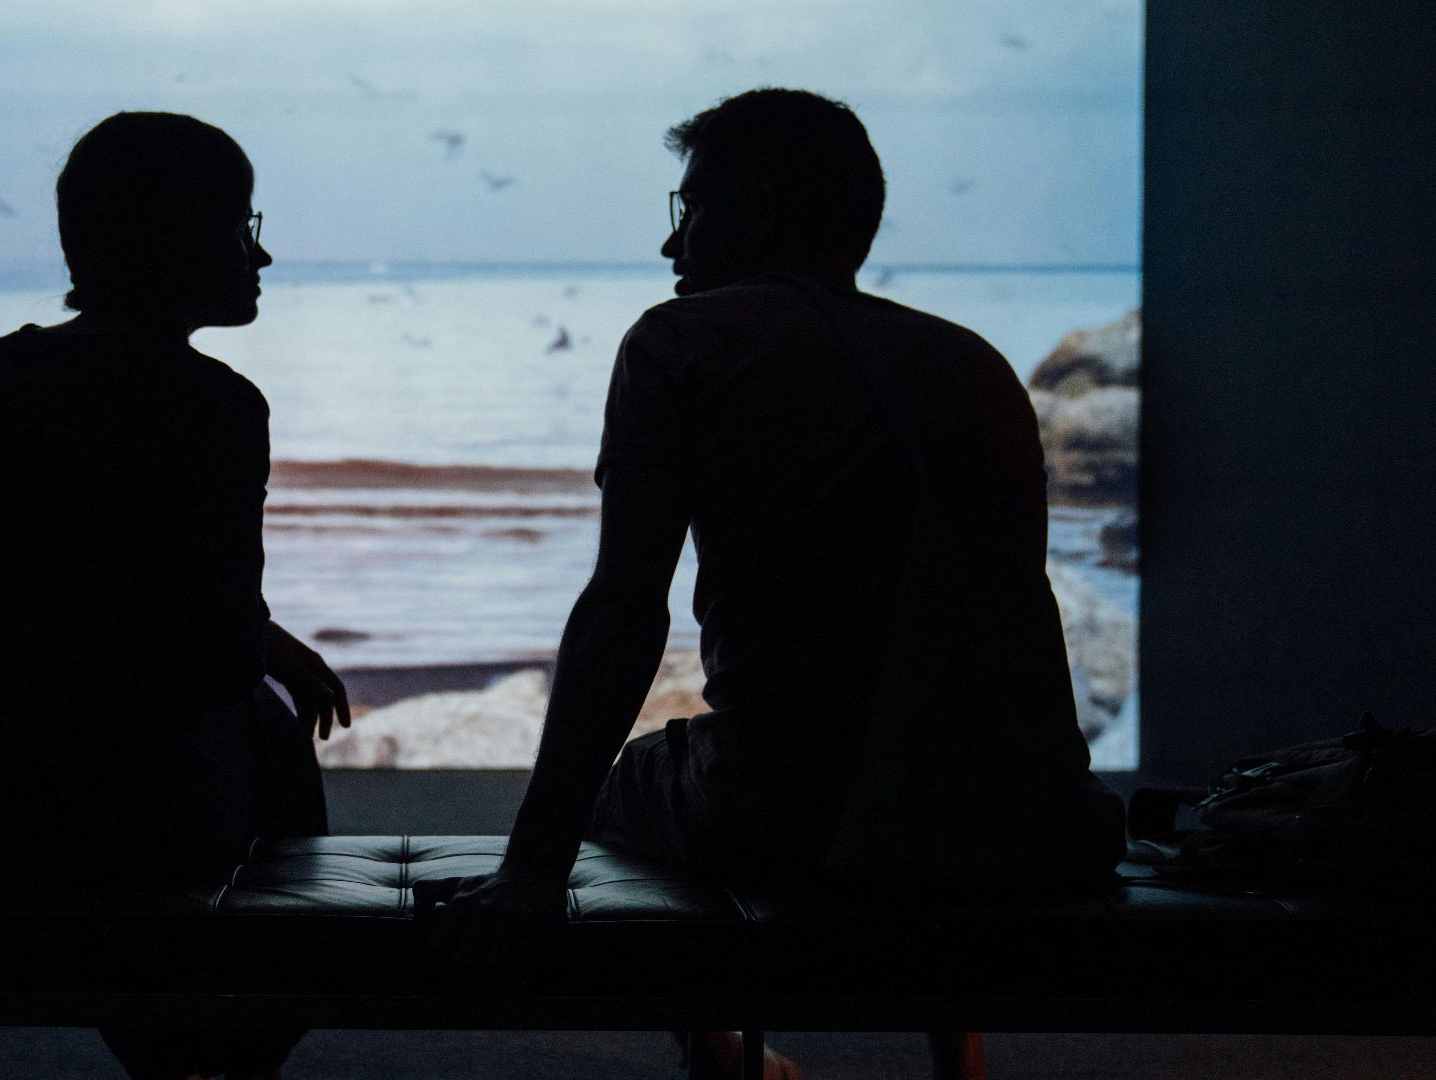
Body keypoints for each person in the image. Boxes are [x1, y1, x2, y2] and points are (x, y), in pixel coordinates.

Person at [418, 88, 1126, 1076]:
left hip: (799, 815)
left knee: (631, 787)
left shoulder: (681, 342)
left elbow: (625, 607)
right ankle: (957, 1060)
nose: (672, 250)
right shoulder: (976, 364)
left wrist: (533, 869)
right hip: (1023, 815)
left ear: (758, 209)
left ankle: (726, 1056)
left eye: (690, 211)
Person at [0, 111, 347, 1080]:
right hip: (122, 824)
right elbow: (207, 653)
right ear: (183, 238)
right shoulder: (217, 405)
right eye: (243, 224)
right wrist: (254, 656)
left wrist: (257, 638)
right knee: (264, 730)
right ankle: (233, 1046)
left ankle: (174, 1047)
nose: (265, 254)